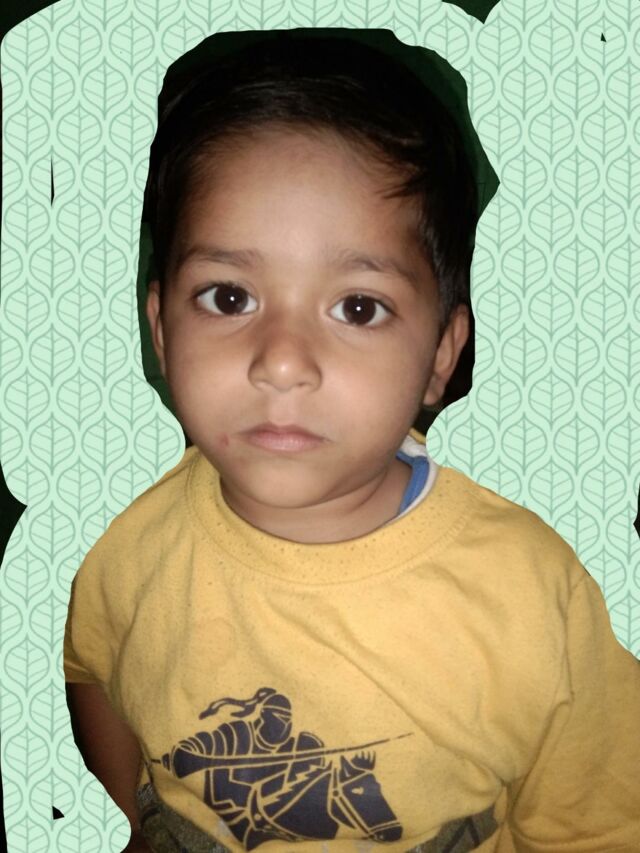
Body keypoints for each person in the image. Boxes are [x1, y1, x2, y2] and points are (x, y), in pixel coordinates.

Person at [64, 30, 640, 853]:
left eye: (358, 307)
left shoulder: (534, 596)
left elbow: (598, 822)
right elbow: (93, 669)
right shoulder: (130, 545)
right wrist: (134, 818)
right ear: (160, 329)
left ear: (440, 356)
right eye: (229, 297)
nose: (281, 361)